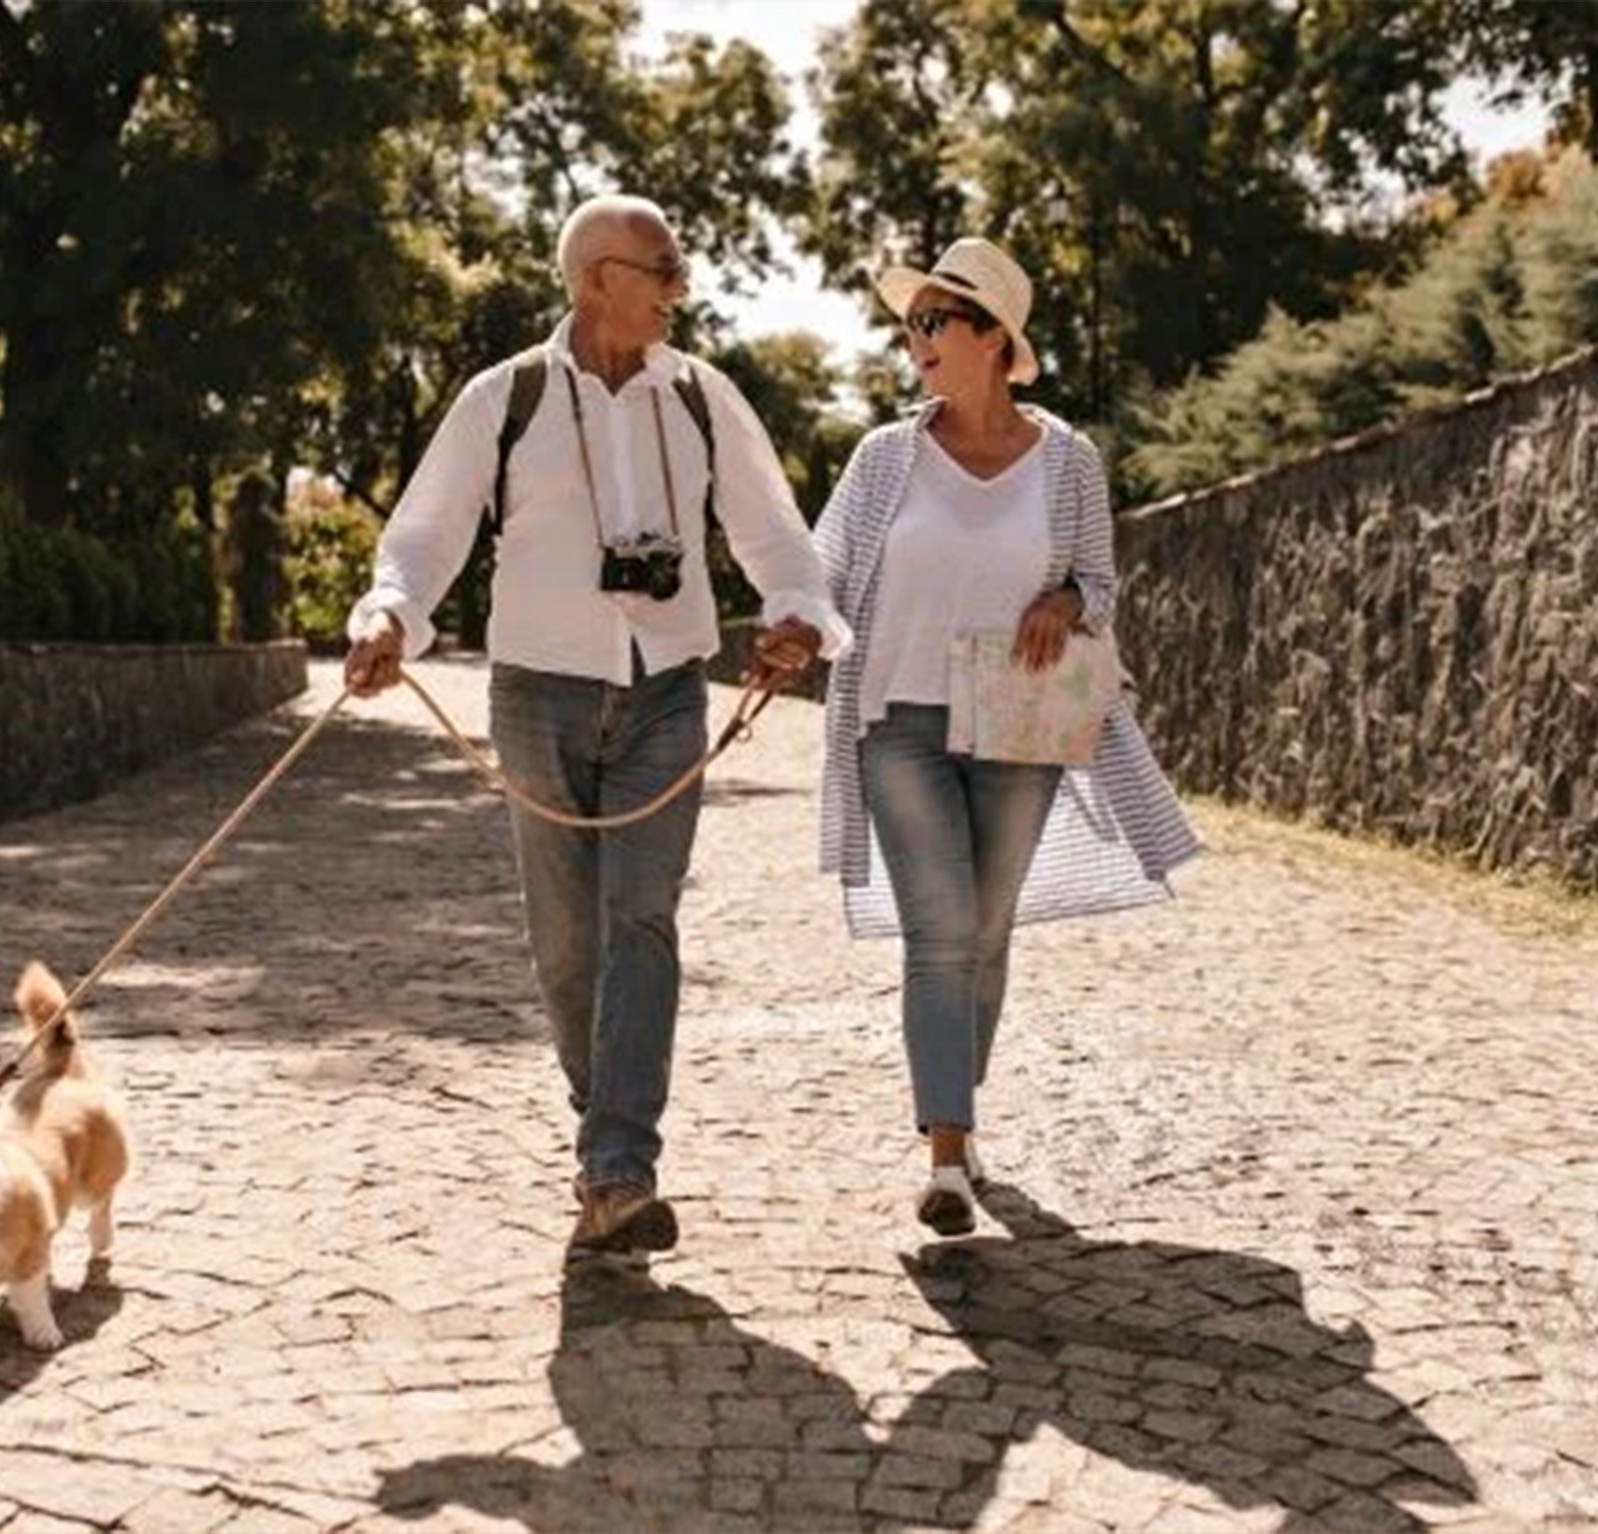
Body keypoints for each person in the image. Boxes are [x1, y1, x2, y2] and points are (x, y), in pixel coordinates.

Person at [345, 194, 850, 1258]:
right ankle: (603, 1143)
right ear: (594, 280)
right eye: (661, 267)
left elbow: (774, 534)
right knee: (567, 945)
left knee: (641, 921)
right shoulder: (509, 397)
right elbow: (426, 530)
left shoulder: (703, 398)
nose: (679, 286)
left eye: (677, 266)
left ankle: (620, 1165)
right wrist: (390, 613)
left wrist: (796, 618)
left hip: (668, 686)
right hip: (535, 689)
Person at [811, 236, 1198, 1238]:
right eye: (910, 324)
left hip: (1020, 720)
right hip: (897, 717)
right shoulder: (882, 455)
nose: (915, 340)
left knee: (982, 933)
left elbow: (1102, 586)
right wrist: (785, 632)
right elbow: (820, 568)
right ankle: (944, 1157)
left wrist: (1067, 596)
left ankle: (958, 1108)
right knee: (938, 931)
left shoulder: (1067, 460)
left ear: (994, 338)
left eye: (934, 321)